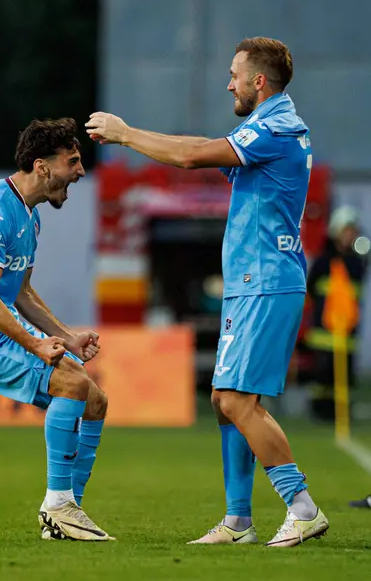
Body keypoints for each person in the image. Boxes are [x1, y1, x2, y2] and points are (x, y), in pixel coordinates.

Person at [86, 37, 329, 547]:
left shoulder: (278, 127)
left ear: (258, 82)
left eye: (235, 74)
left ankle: (301, 506)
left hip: (265, 282)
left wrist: (126, 134)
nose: (229, 82)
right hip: (251, 284)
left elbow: (193, 155)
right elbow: (199, 148)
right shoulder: (265, 127)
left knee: (236, 400)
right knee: (226, 403)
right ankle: (238, 521)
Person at [0, 118, 113, 542]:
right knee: (72, 382)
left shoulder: (28, 216)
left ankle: (67, 509)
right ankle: (58, 506)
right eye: (72, 161)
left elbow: (22, 293)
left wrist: (67, 336)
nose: (80, 170)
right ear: (42, 166)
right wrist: (37, 344)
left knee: (95, 401)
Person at [305, 206, 367, 420]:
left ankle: (342, 414)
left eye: (353, 230)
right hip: (324, 334)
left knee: (345, 378)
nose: (351, 235)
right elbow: (311, 289)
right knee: (323, 376)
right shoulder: (324, 261)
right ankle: (320, 411)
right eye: (347, 230)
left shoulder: (357, 262)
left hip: (347, 333)